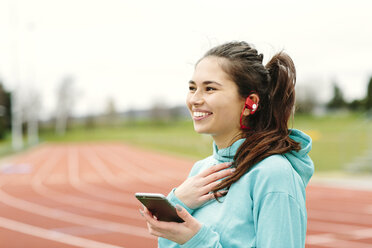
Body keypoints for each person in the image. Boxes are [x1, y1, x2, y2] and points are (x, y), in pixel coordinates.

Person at [139, 41, 314, 248]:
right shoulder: (201, 170)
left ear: (250, 103)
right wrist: (177, 202)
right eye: (192, 88)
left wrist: (197, 241)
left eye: (210, 88)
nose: (195, 99)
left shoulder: (274, 174)